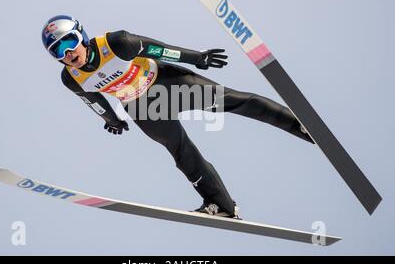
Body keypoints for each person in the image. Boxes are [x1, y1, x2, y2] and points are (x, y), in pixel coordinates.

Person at [41, 15, 314, 219]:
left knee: (231, 101)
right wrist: (111, 119)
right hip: (140, 107)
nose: (67, 53)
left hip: (167, 82)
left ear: (81, 35)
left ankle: (301, 126)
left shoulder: (116, 43)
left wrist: (196, 58)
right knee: (181, 152)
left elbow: (157, 50)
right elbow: (92, 99)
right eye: (57, 51)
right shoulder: (72, 78)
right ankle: (221, 205)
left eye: (69, 42)